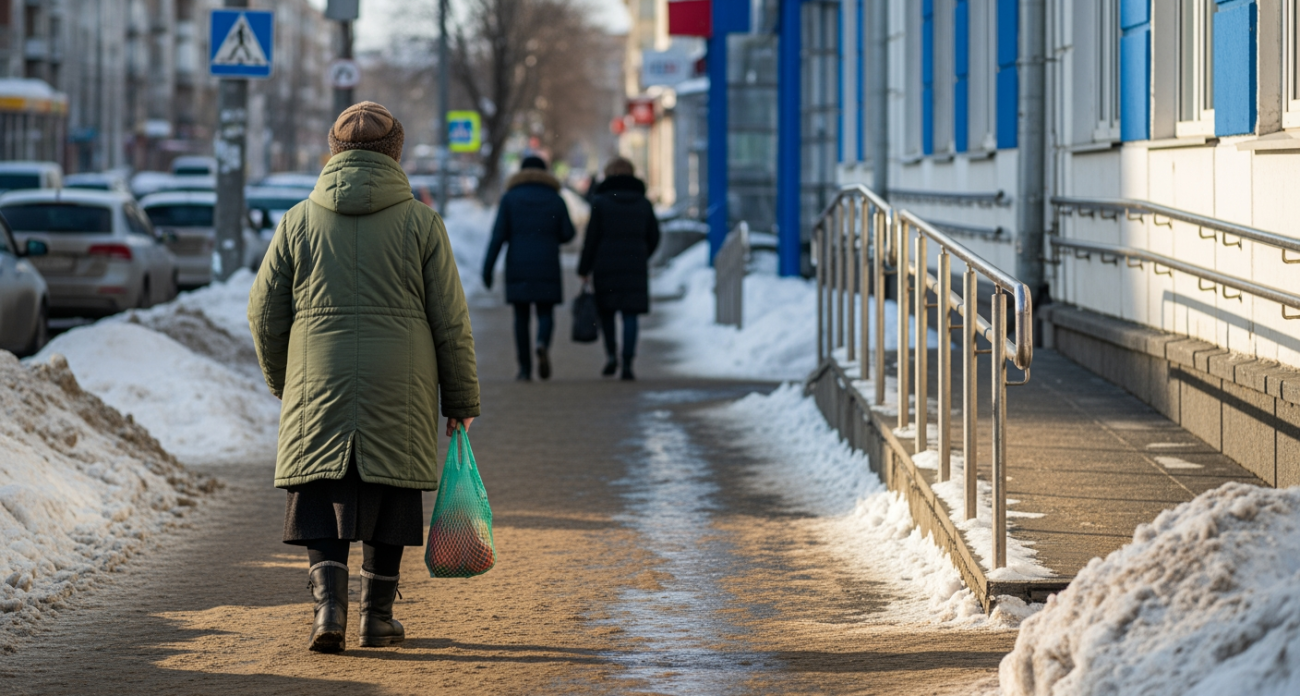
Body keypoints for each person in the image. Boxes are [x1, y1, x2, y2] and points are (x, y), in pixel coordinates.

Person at [247, 101, 480, 654]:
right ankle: (377, 617)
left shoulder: (298, 220)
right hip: (400, 382)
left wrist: (286, 382)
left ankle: (328, 610)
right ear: (394, 152)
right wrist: (461, 397)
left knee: (318, 488)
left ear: (334, 150)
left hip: (318, 379)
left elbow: (262, 311)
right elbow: (451, 319)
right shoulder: (422, 222)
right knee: (390, 488)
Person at [482, 155, 576, 381]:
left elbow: (498, 236)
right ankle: (542, 342)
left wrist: (487, 268)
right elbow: (568, 233)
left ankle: (524, 369)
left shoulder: (510, 198)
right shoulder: (555, 199)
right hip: (547, 263)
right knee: (546, 312)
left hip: (518, 264)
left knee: (521, 317)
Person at [578, 157, 660, 380]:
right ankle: (628, 363)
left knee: (607, 313)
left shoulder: (601, 202)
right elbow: (654, 236)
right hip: (635, 266)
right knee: (630, 315)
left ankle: (612, 356)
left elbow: (591, 238)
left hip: (606, 266)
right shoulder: (643, 203)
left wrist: (584, 268)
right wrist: (642, 254)